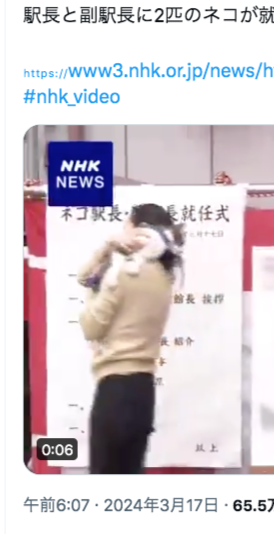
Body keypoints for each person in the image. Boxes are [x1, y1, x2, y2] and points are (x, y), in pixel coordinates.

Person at [77, 203, 184, 474]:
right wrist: (107, 249)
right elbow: (84, 277)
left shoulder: (123, 274)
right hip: (142, 391)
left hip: (115, 390)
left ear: (138, 230)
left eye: (126, 226)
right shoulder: (163, 275)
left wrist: (106, 260)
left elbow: (91, 328)